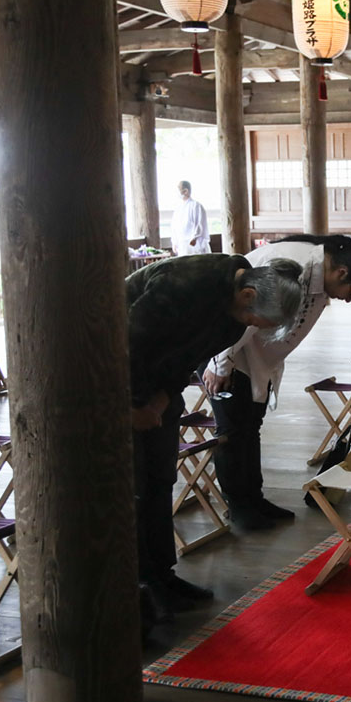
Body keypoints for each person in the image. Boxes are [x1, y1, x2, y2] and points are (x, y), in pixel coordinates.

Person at [127, 253, 304, 621]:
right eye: (258, 320)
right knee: (135, 485)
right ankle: (140, 586)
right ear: (248, 295)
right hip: (116, 379)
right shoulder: (182, 283)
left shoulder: (235, 316)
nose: (254, 327)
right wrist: (135, 406)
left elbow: (191, 358)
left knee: (161, 479)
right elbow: (127, 343)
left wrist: (162, 401)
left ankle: (163, 575)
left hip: (159, 385)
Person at [201, 234, 351, 530]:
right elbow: (244, 314)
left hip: (254, 355)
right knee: (233, 428)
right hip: (226, 346)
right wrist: (220, 361)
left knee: (250, 426)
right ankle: (239, 506)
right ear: (342, 273)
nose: (346, 299)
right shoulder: (294, 266)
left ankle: (254, 499)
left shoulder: (320, 272)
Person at [170, 180, 210, 256]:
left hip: (194, 245)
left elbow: (199, 224)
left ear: (186, 191)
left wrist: (194, 238)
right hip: (182, 245)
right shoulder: (178, 208)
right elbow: (174, 227)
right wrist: (174, 242)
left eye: (178, 189)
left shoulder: (196, 206)